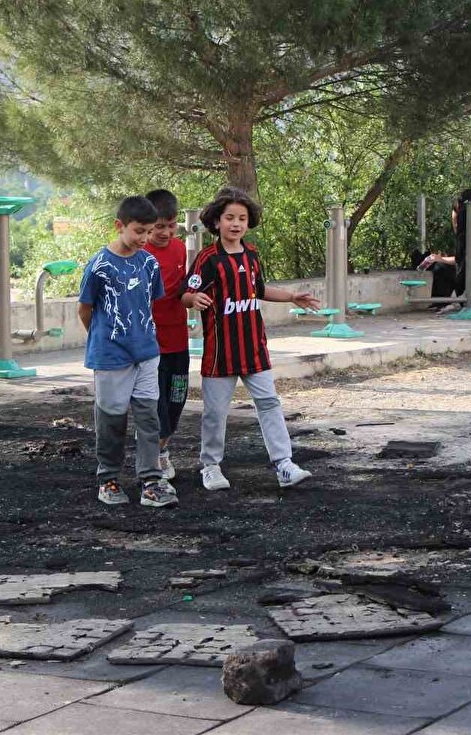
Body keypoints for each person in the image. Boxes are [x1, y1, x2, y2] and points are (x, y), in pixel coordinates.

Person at [181, 186, 321, 491]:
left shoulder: (253, 254)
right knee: (216, 412)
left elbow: (259, 290)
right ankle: (211, 466)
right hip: (220, 352)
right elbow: (186, 293)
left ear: (249, 222)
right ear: (216, 221)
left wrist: (292, 296)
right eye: (229, 217)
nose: (236, 223)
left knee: (269, 403)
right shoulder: (208, 259)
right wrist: (193, 299)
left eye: (242, 218)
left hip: (254, 349)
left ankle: (284, 464)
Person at [77, 196, 178, 508]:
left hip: (147, 353)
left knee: (149, 418)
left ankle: (151, 481)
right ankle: (108, 479)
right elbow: (85, 310)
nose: (145, 238)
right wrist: (105, 342)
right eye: (139, 231)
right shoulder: (100, 266)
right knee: (112, 421)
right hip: (111, 358)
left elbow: (146, 302)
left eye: (149, 231)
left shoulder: (148, 262)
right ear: (119, 226)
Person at [144, 189, 190, 482]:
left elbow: (184, 288)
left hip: (179, 341)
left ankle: (161, 447)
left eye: (171, 226)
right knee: (155, 404)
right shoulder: (139, 255)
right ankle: (154, 457)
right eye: (159, 226)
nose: (165, 232)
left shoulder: (180, 250)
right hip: (150, 345)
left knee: (177, 399)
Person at [423, 189, 471, 312]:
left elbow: (462, 261)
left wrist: (441, 259)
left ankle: (442, 303)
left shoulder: (468, 236)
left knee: (442, 267)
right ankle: (445, 302)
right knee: (443, 267)